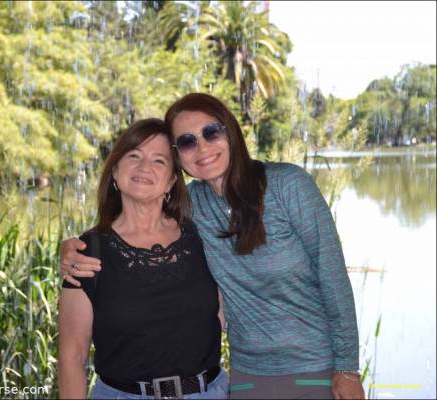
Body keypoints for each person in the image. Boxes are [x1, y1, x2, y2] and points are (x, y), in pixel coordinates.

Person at [60, 94, 365, 400]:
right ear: (181, 159)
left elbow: (333, 279)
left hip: (316, 368)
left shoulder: (288, 186)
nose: (203, 147)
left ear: (230, 132)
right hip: (249, 375)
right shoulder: (193, 208)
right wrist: (72, 249)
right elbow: (139, 209)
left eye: (211, 132)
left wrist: (347, 369)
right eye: (188, 141)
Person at [57, 118, 229, 400]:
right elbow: (72, 357)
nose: (144, 167)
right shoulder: (88, 252)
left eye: (159, 161)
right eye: (134, 155)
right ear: (115, 170)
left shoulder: (202, 236)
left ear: (172, 180)